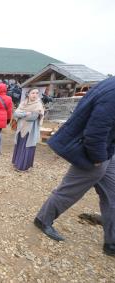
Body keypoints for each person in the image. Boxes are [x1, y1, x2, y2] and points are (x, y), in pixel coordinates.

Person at [34, 76, 115, 257]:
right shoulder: (112, 92)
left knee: (113, 196)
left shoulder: (108, 84)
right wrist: (97, 158)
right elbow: (95, 131)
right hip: (96, 153)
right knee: (69, 191)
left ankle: (112, 242)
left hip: (107, 151)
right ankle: (43, 219)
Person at [12, 88, 44, 170]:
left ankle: (23, 166)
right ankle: (17, 162)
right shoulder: (23, 103)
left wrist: (22, 114)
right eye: (33, 93)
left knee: (27, 146)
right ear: (28, 94)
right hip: (21, 127)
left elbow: (32, 117)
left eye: (37, 93)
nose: (35, 95)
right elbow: (15, 113)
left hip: (30, 130)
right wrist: (26, 113)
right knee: (20, 145)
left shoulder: (38, 105)